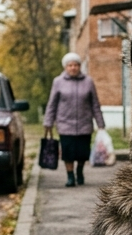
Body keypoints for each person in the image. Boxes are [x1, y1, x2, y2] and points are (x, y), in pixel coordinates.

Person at [43, 53, 106, 187]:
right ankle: (70, 176)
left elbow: (95, 103)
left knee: (83, 153)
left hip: (84, 124)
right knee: (68, 153)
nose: (73, 68)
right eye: (70, 65)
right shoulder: (58, 82)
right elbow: (52, 104)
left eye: (76, 65)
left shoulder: (88, 81)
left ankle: (80, 171)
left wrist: (101, 123)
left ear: (79, 66)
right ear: (65, 67)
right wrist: (48, 122)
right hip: (65, 125)